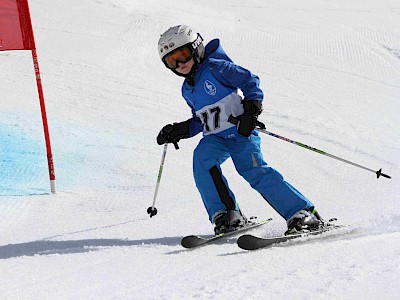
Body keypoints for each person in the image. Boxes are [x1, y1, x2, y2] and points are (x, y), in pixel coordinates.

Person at [156, 25, 324, 235]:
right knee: (202, 160)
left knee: (253, 170)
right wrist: (180, 130)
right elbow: (202, 119)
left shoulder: (216, 68)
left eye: (183, 55)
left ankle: (303, 213)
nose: (180, 64)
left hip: (240, 132)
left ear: (196, 48)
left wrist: (251, 110)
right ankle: (227, 214)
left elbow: (249, 80)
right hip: (216, 138)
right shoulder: (186, 90)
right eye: (172, 61)